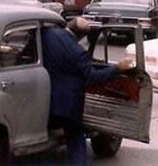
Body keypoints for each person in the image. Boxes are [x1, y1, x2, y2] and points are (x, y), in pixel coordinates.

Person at [41, 17, 132, 165]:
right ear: (81, 36)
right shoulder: (78, 53)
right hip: (68, 106)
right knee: (76, 137)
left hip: (45, 101)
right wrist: (117, 68)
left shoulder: (48, 35)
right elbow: (93, 76)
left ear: (68, 25)